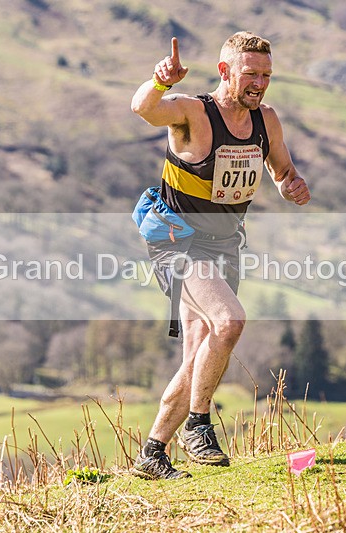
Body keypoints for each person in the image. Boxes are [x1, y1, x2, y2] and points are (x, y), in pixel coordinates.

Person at [129, 31, 310, 480]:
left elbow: (281, 167)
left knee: (200, 352)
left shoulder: (267, 120)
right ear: (225, 70)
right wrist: (159, 80)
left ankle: (152, 454)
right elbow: (144, 109)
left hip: (225, 246)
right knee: (229, 321)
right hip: (178, 243)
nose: (260, 83)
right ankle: (198, 424)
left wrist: (292, 183)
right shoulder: (193, 112)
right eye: (251, 74)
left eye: (267, 75)